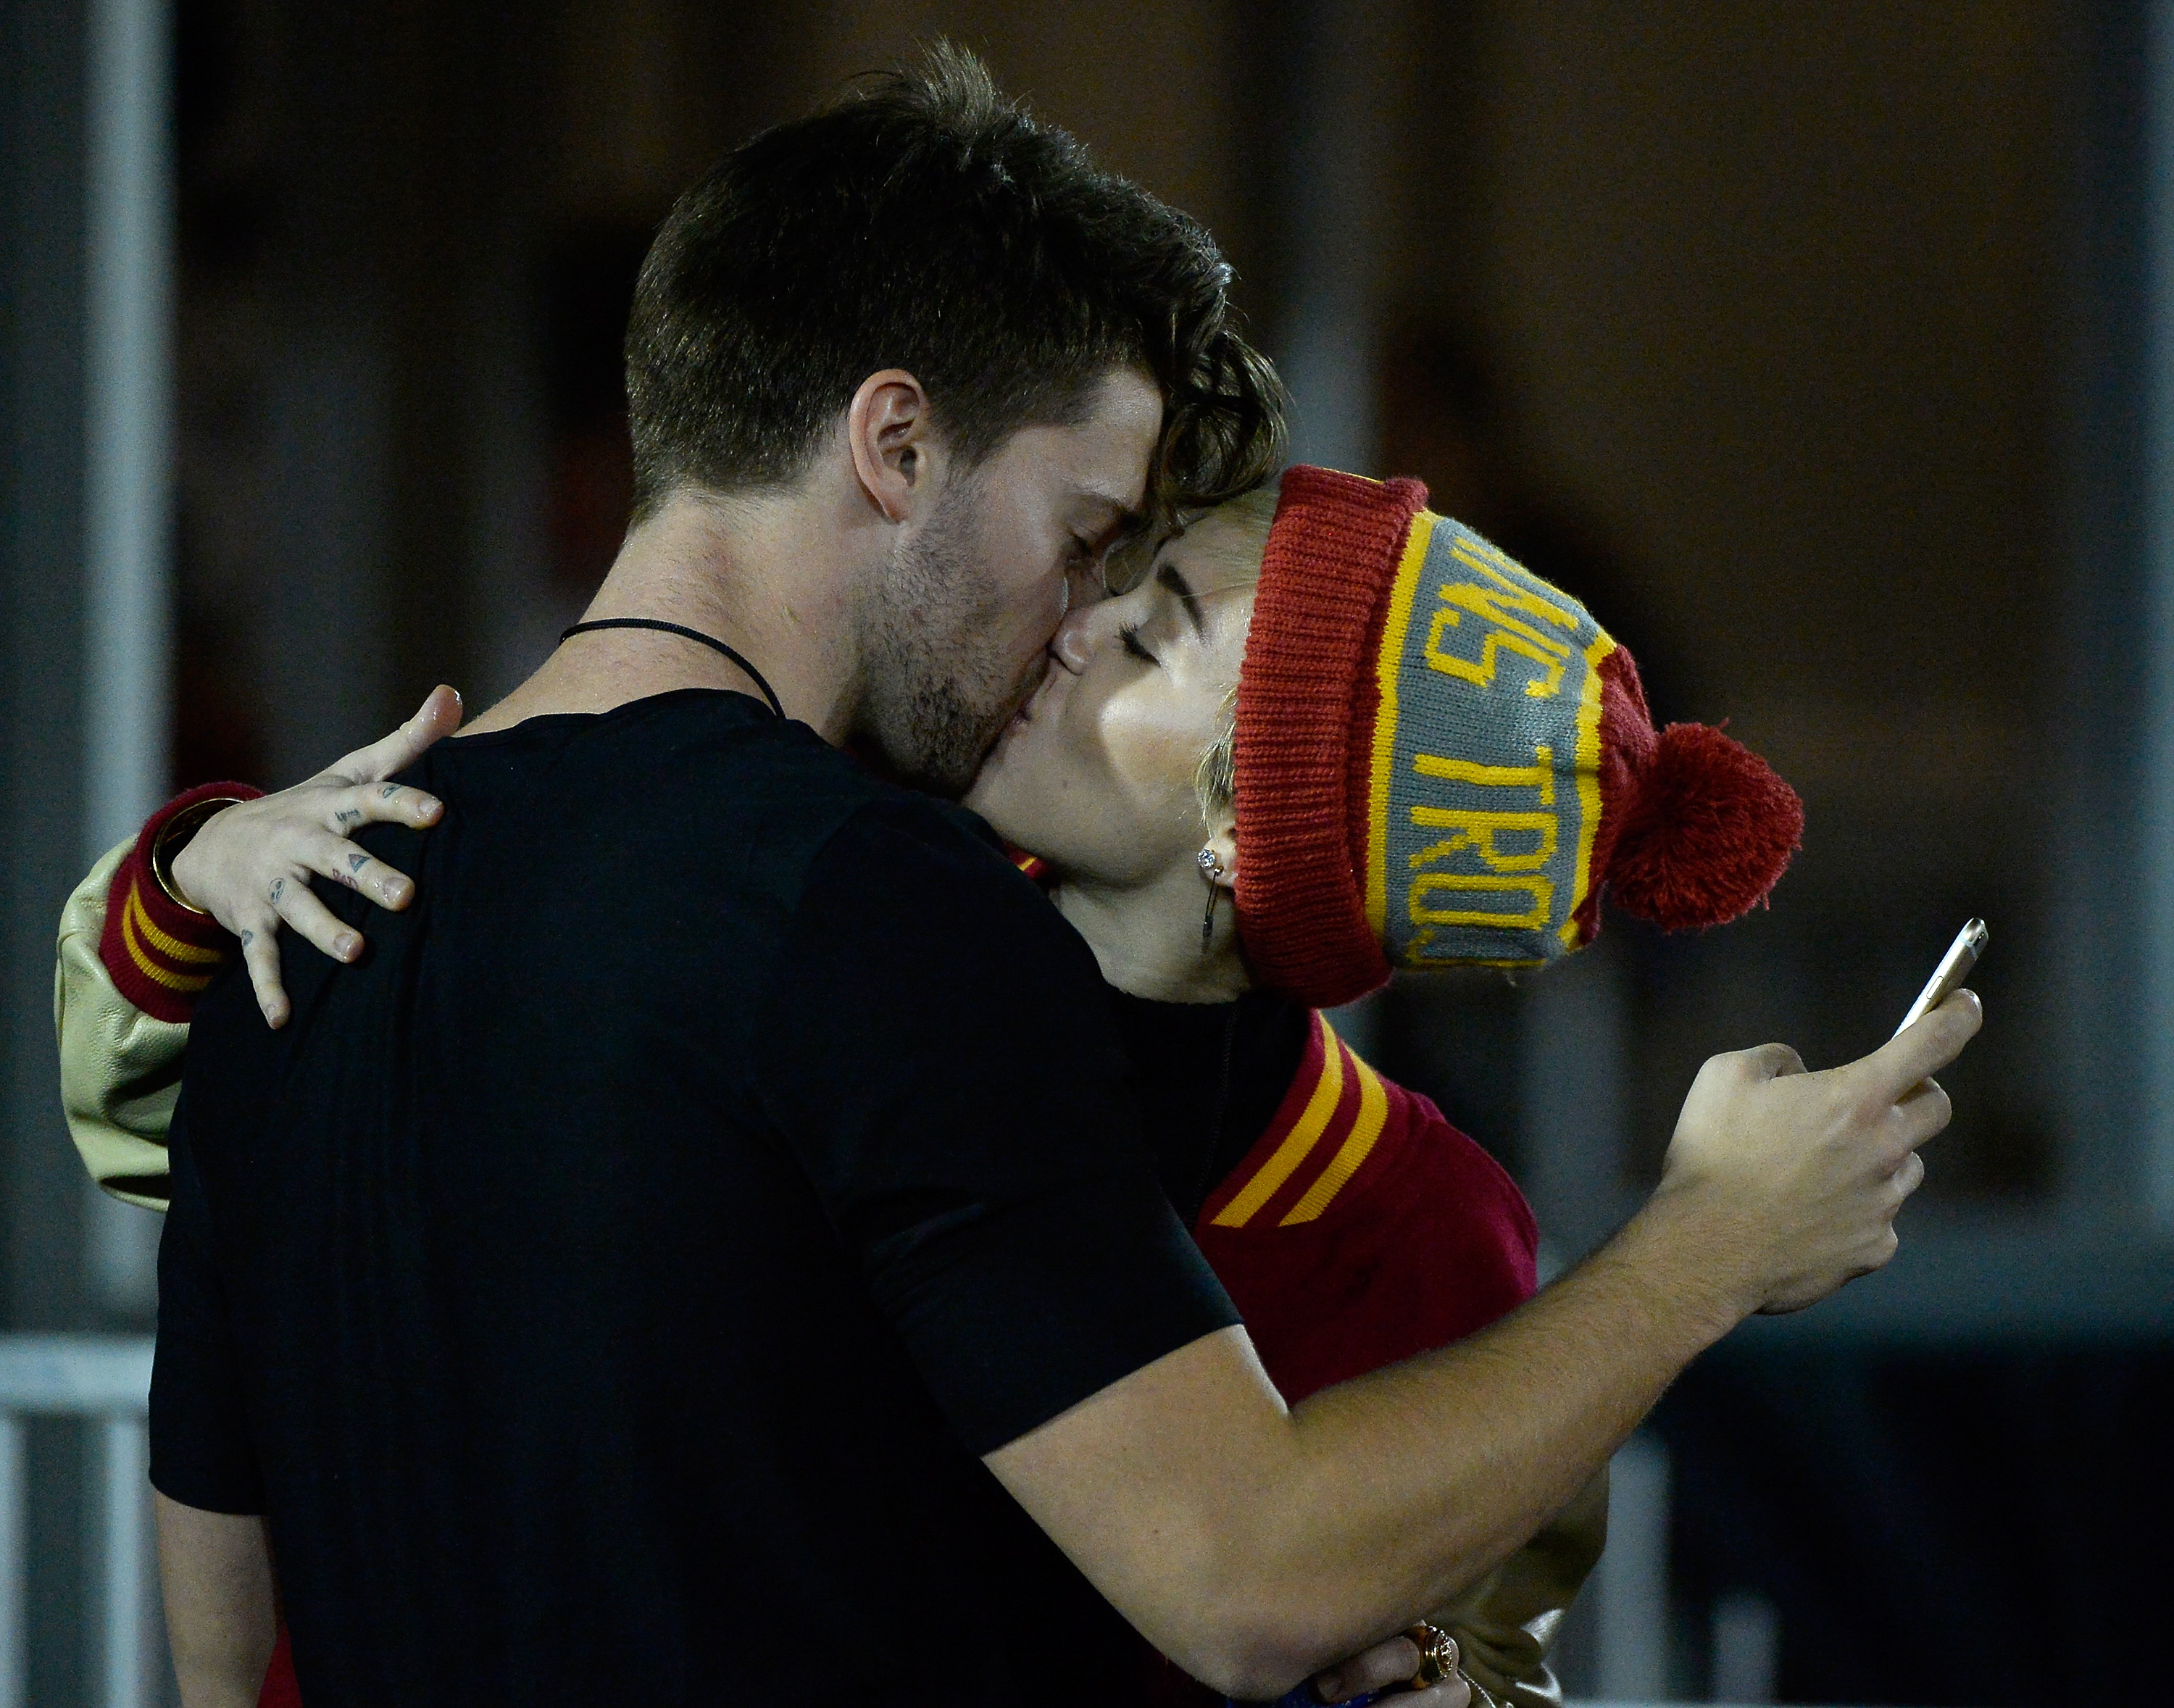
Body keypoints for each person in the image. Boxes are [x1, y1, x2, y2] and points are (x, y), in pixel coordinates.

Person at [59, 52, 1978, 1708]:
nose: (1063, 621)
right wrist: (1708, 1247)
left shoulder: (292, 903)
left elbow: (221, 1650)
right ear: (894, 442)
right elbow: (1243, 1573)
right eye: (1083, 537)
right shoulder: (872, 905)